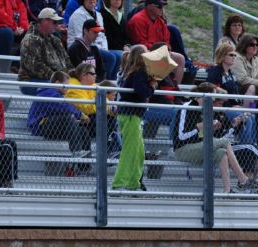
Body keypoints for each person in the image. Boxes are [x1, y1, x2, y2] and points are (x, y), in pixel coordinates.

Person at [173, 83, 252, 194]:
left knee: (222, 153)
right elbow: (181, 137)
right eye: (213, 97)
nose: (214, 100)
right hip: (182, 149)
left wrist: (211, 129)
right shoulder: (187, 108)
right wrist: (198, 128)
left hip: (197, 147)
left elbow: (201, 137)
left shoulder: (204, 109)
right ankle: (243, 179)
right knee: (225, 142)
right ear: (204, 96)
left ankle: (227, 190)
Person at [112, 45, 156, 191]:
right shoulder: (139, 72)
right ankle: (119, 183)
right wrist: (152, 86)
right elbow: (142, 91)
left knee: (139, 152)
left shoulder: (131, 71)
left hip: (132, 115)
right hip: (130, 115)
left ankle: (133, 183)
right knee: (130, 151)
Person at [26, 70, 92, 159]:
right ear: (57, 83)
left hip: (52, 125)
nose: (68, 88)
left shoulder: (56, 94)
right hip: (40, 126)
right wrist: (80, 114)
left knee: (83, 131)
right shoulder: (48, 92)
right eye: (66, 85)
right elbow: (64, 107)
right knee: (69, 117)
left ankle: (84, 167)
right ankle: (76, 151)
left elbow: (64, 107)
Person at [125, 0, 185, 82]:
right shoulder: (137, 20)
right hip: (142, 52)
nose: (162, 8)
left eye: (163, 6)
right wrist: (160, 50)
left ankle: (175, 90)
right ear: (149, 6)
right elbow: (140, 43)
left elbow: (166, 40)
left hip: (157, 51)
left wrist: (166, 49)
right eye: (159, 6)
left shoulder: (160, 21)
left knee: (180, 58)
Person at [18, 8, 73, 95]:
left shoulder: (55, 39)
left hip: (56, 79)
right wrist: (59, 78)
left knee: (79, 85)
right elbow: (36, 67)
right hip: (31, 81)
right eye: (54, 22)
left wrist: (72, 75)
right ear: (44, 21)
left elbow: (67, 61)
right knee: (58, 89)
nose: (56, 25)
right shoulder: (31, 39)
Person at [67, 0, 119, 80]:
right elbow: (81, 36)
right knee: (111, 57)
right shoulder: (77, 15)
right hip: (82, 47)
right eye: (95, 32)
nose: (92, 0)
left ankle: (110, 84)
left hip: (95, 47)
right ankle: (106, 84)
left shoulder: (98, 14)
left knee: (118, 56)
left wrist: (104, 49)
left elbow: (102, 36)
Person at [67, 19, 106, 83]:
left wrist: (99, 82)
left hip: (94, 84)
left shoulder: (95, 49)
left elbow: (101, 70)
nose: (97, 35)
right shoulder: (74, 49)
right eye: (94, 32)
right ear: (85, 31)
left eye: (98, 32)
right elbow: (78, 72)